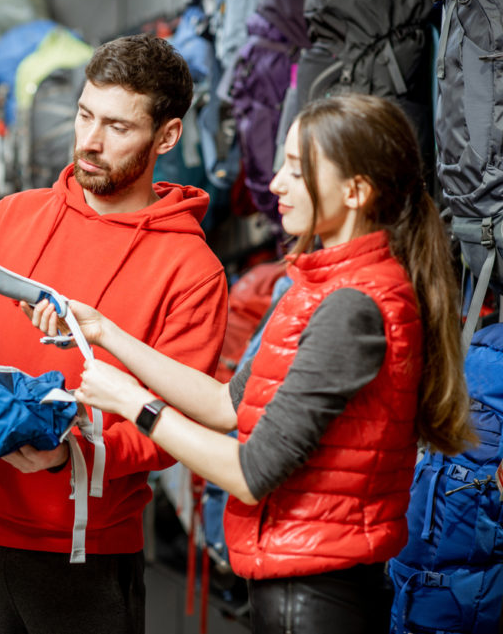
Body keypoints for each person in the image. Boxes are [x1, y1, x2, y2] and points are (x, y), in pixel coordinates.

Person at [30, 93, 476, 633]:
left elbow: (249, 475)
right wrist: (106, 332)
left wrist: (134, 403)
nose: (276, 184)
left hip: (314, 597)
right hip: (297, 583)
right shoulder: (314, 284)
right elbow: (225, 405)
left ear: (356, 192)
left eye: (297, 170)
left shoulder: (352, 308)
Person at [0, 33, 229, 634]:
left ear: (166, 137)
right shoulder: (11, 216)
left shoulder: (193, 270)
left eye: (118, 127)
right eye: (85, 115)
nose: (90, 142)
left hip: (88, 558)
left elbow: (175, 424)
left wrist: (69, 455)